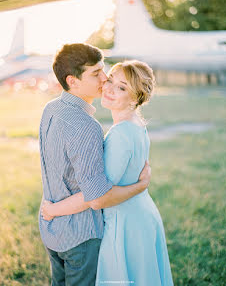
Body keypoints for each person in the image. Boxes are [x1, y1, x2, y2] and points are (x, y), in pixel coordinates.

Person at [42, 59, 174, 285]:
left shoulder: (121, 135)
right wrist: (140, 187)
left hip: (125, 223)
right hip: (140, 215)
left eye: (122, 87)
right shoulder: (136, 125)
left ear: (136, 97)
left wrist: (54, 209)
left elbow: (98, 198)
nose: (110, 88)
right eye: (111, 80)